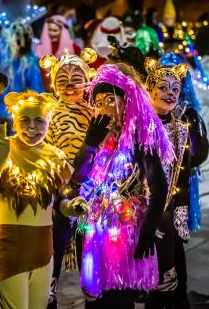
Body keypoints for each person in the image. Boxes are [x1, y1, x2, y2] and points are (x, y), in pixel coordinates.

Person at [71, 64, 174, 308]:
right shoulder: (99, 134)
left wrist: (149, 230)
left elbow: (159, 187)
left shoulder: (138, 135)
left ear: (126, 100)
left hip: (125, 230)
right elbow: (79, 176)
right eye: (98, 102)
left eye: (110, 99)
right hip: (95, 228)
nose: (104, 107)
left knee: (118, 299)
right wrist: (89, 144)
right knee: (94, 299)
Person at [0, 91, 86, 309]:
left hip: (43, 248)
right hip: (10, 245)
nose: (32, 128)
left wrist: (72, 207)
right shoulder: (2, 147)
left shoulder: (55, 156)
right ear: (14, 121)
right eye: (24, 120)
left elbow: (58, 204)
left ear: (48, 122)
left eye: (39, 121)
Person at [144, 53, 209, 308]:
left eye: (175, 86)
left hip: (172, 202)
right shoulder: (141, 122)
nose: (170, 92)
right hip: (142, 206)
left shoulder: (183, 121)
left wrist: (179, 216)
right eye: (162, 85)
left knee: (171, 260)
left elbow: (196, 155)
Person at [41, 52, 95, 308]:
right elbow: (44, 145)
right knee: (57, 236)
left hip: (90, 187)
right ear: (53, 82)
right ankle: (50, 286)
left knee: (88, 236)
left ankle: (93, 285)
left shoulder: (95, 112)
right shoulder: (48, 112)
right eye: (63, 79)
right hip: (58, 186)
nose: (70, 85)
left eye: (77, 79)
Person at [0, 21, 44, 126]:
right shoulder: (29, 61)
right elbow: (36, 90)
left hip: (4, 111)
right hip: (15, 111)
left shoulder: (27, 61)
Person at [35, 15, 81, 91]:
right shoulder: (41, 48)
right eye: (49, 30)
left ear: (62, 31)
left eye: (54, 30)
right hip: (49, 88)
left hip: (71, 87)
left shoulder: (73, 47)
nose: (51, 33)